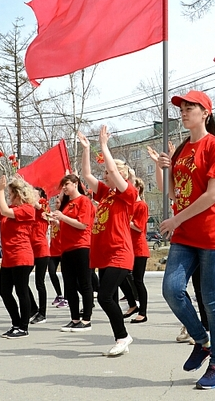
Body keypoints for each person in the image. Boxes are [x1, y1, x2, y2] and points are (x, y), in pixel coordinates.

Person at [151, 90, 215, 389]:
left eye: (190, 108)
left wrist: (175, 219)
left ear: (205, 113)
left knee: (211, 301)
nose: (184, 113)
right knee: (172, 290)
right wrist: (165, 171)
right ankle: (202, 340)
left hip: (214, 234)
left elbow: (213, 195)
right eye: (182, 108)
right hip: (186, 235)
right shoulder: (182, 149)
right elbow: (173, 193)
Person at [79, 126, 138, 356]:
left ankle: (122, 336)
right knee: (106, 298)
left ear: (121, 176)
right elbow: (86, 175)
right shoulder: (106, 194)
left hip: (120, 252)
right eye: (104, 174)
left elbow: (113, 170)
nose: (105, 176)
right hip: (104, 254)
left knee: (104, 296)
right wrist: (86, 149)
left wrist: (103, 146)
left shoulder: (127, 193)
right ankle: (121, 336)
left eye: (108, 174)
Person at [0, 174, 36, 339]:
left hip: (22, 255)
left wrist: (1, 191)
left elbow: (6, 211)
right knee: (4, 291)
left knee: (21, 291)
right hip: (9, 258)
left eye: (10, 194)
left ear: (18, 194)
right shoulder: (10, 210)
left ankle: (23, 327)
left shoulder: (27, 209)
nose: (9, 197)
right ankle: (15, 323)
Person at [49, 174, 95, 332]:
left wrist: (62, 217)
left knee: (84, 283)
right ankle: (74, 318)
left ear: (76, 184)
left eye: (67, 184)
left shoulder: (84, 201)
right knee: (69, 285)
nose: (64, 188)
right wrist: (57, 221)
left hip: (82, 246)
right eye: (63, 185)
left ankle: (86, 319)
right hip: (66, 248)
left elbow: (82, 224)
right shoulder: (68, 204)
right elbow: (67, 225)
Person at [121, 173, 150, 323]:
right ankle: (133, 304)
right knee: (121, 276)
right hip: (127, 247)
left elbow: (139, 227)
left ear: (137, 188)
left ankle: (143, 312)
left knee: (138, 280)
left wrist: (125, 221)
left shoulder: (142, 205)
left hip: (138, 247)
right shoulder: (128, 205)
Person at [27, 187, 51, 325]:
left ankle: (42, 313)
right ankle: (33, 308)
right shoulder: (29, 209)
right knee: (22, 280)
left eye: (34, 193)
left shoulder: (43, 206)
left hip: (41, 249)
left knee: (39, 283)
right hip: (30, 249)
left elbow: (37, 205)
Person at [48, 198, 66, 308]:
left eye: (58, 202)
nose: (56, 204)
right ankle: (59, 294)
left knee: (66, 275)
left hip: (63, 250)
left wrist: (58, 221)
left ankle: (67, 298)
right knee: (51, 272)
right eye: (55, 202)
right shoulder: (54, 215)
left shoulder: (65, 215)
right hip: (53, 251)